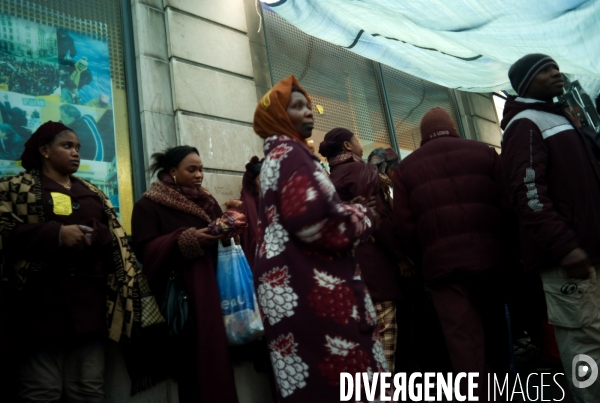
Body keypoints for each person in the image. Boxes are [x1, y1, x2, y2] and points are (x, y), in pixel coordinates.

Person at [252, 75, 387, 402]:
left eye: (308, 106)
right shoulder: (293, 154)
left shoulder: (276, 156)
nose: (309, 112)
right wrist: (365, 216)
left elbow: (302, 211)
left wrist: (345, 208)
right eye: (297, 107)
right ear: (278, 116)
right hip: (310, 285)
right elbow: (319, 223)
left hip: (291, 286)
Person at [0, 121, 142, 402]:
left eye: (78, 147)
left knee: (88, 390)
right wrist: (56, 234)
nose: (76, 152)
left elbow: (116, 237)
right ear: (44, 151)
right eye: (67, 146)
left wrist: (95, 234)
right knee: (41, 390)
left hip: (89, 305)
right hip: (38, 305)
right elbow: (4, 231)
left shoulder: (92, 192)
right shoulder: (15, 187)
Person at [501, 53, 600, 402]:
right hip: (567, 260)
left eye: (555, 66)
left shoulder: (559, 118)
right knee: (585, 344)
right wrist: (564, 246)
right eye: (545, 70)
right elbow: (527, 192)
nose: (556, 73)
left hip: (588, 252)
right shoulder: (526, 123)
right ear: (526, 82)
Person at [393, 107, 510, 399]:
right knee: (496, 327)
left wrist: (424, 257)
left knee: (462, 339)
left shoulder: (406, 169)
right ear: (453, 127)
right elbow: (507, 203)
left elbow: (404, 226)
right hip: (490, 258)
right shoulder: (483, 152)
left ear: (422, 135)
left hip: (442, 268)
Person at [131, 146, 238, 403]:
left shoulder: (208, 201)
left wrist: (231, 226)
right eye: (192, 169)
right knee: (192, 370)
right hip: (182, 300)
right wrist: (188, 240)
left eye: (201, 169)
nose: (199, 175)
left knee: (217, 361)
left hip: (215, 292)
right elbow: (145, 251)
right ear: (172, 172)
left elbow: (220, 239)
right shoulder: (148, 204)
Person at [319, 130, 413, 373]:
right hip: (374, 273)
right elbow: (378, 218)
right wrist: (401, 259)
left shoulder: (325, 180)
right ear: (348, 146)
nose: (361, 145)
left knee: (361, 359)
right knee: (384, 354)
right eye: (358, 140)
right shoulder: (362, 172)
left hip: (344, 277)